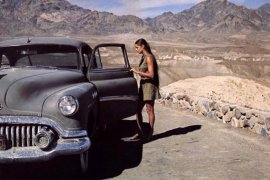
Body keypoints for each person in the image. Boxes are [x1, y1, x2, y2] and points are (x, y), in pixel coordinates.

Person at [130, 38, 161, 139]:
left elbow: (151, 74)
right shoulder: (143, 57)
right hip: (143, 85)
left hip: (149, 86)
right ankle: (140, 132)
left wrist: (138, 72)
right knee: (137, 110)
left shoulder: (149, 57)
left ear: (143, 46)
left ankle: (150, 132)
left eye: (137, 47)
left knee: (149, 109)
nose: (136, 49)